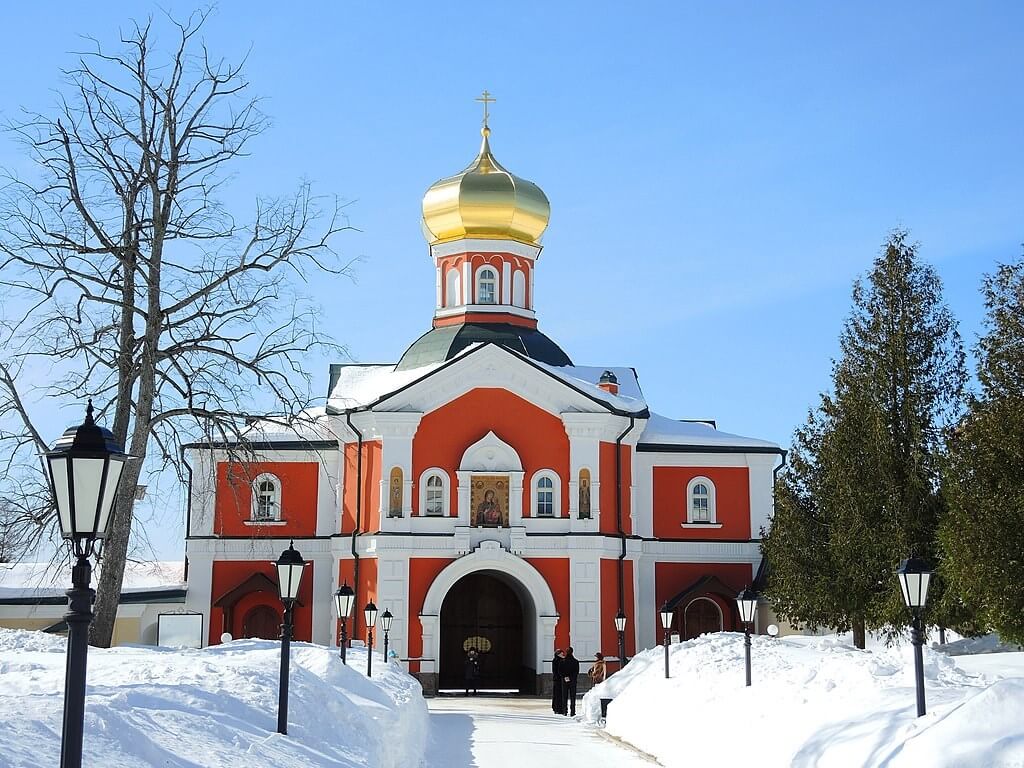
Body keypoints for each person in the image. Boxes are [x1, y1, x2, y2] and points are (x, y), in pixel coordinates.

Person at [561, 647, 580, 716]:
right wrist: (571, 677)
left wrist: (565, 677)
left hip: (565, 681)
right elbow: (576, 672)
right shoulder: (575, 661)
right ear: (572, 652)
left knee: (564, 696)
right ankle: (572, 712)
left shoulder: (563, 661)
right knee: (573, 697)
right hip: (573, 681)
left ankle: (565, 711)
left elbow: (560, 671)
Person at [550, 649, 565, 714]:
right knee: (559, 694)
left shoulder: (555, 660)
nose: (563, 655)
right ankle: (559, 708)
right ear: (558, 654)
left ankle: (555, 708)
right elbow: (559, 670)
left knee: (556, 694)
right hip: (559, 680)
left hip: (556, 679)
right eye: (561, 654)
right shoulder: (559, 661)